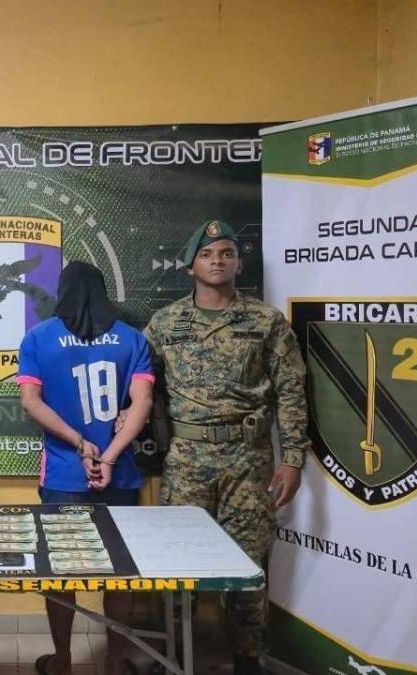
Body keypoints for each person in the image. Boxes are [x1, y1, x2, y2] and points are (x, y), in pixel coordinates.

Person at [141, 220, 308, 675]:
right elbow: (141, 384)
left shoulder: (265, 321)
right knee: (178, 560)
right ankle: (175, 655)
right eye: (207, 254)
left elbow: (291, 390)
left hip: (248, 461)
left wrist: (293, 458)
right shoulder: (165, 323)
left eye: (227, 253)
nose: (217, 261)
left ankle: (248, 660)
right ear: (190, 265)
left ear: (239, 263)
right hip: (186, 460)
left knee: (248, 563)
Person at [16, 261, 155, 675]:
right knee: (121, 572)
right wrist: (109, 456)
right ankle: (116, 660)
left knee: (62, 571)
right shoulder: (131, 338)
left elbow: (30, 401)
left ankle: (62, 659)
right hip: (120, 471)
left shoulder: (38, 337)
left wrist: (80, 444)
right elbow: (143, 403)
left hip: (63, 473)